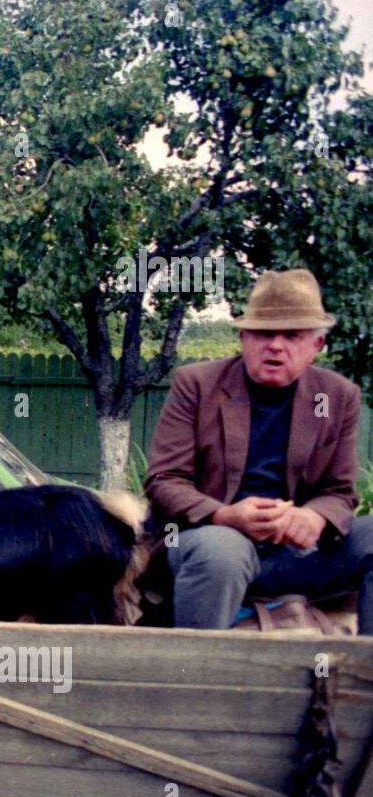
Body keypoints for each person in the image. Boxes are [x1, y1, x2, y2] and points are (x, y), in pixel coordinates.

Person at [144, 269, 372, 634]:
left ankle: (364, 676)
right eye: (264, 334)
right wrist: (224, 516)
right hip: (209, 545)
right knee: (222, 550)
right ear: (244, 338)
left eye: (292, 335)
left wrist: (314, 518)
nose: (276, 346)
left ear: (316, 346)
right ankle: (195, 678)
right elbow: (164, 480)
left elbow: (340, 492)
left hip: (299, 554)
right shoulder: (197, 384)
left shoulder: (338, 396)